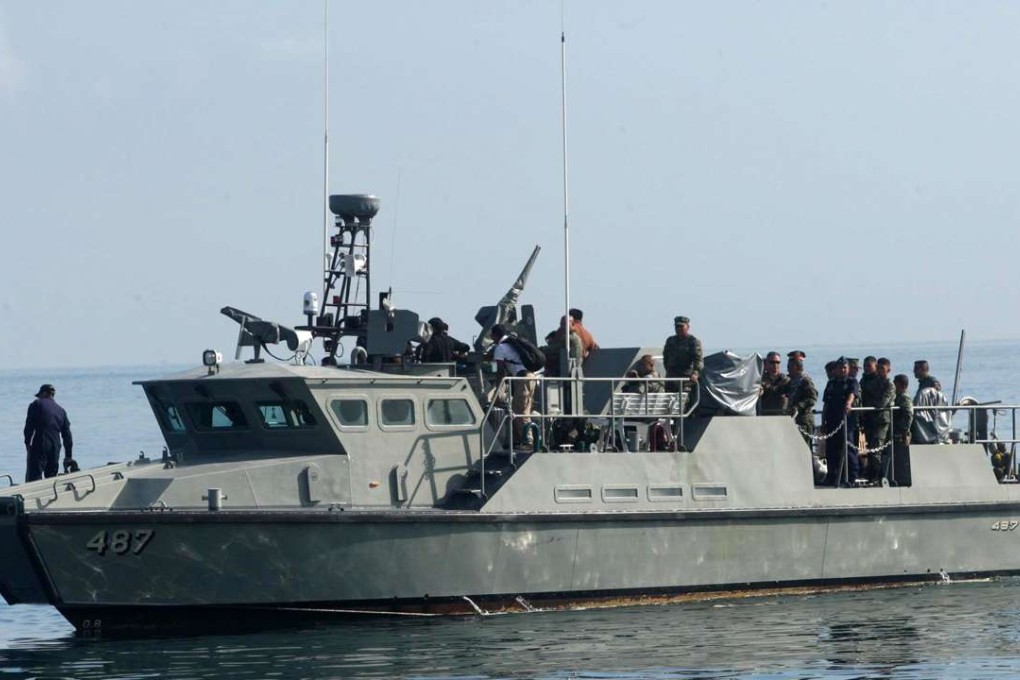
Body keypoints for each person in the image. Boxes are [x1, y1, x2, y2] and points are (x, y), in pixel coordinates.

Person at [490, 324, 536, 450]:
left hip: (522, 378)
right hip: (530, 376)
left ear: (495, 335)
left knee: (520, 411)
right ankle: (517, 440)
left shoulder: (500, 348)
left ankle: (529, 441)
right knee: (521, 408)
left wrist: (499, 388)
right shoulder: (513, 343)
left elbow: (500, 371)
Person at [23, 384, 74, 483]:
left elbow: (29, 426)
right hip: (55, 446)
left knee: (34, 478)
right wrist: (68, 456)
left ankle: (33, 496)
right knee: (51, 478)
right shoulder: (61, 410)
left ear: (44, 393)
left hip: (40, 442)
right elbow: (67, 435)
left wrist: (27, 443)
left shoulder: (37, 404)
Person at [821, 358, 858, 486]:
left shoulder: (852, 381)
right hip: (832, 420)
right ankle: (832, 475)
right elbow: (826, 403)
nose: (842, 370)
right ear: (835, 369)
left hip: (846, 421)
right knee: (831, 450)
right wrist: (823, 422)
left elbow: (852, 394)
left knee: (848, 448)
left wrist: (848, 403)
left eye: (845, 368)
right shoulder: (831, 383)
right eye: (840, 368)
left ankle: (851, 477)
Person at [861, 357, 895, 482]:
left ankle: (878, 476)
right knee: (870, 449)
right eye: (878, 368)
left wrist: (870, 403)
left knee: (876, 448)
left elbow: (882, 402)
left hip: (881, 421)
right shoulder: (873, 382)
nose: (880, 370)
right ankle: (871, 474)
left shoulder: (889, 385)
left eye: (882, 368)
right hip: (870, 419)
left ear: (888, 370)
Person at [663, 316, 703, 400]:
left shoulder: (693, 342)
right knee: (669, 400)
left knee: (684, 400)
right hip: (671, 377)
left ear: (687, 327)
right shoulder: (670, 340)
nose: (679, 329)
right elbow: (666, 357)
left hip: (686, 378)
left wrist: (695, 373)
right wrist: (668, 370)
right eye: (677, 326)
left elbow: (698, 359)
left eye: (681, 326)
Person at [912, 360, 950, 444]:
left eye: (916, 369)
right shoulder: (922, 382)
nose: (914, 371)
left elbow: (936, 392)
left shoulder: (931, 381)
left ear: (922, 369)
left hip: (930, 419)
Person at [785, 353, 817, 448]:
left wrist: (798, 406)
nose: (788, 368)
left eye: (790, 366)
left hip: (804, 421)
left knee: (804, 448)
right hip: (794, 419)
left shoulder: (805, 380)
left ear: (797, 367)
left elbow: (812, 398)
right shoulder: (791, 380)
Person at [890, 373, 913, 486]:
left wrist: (904, 430)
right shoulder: (898, 397)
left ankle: (903, 481)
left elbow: (909, 413)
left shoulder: (904, 397)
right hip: (897, 432)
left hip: (901, 434)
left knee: (902, 459)